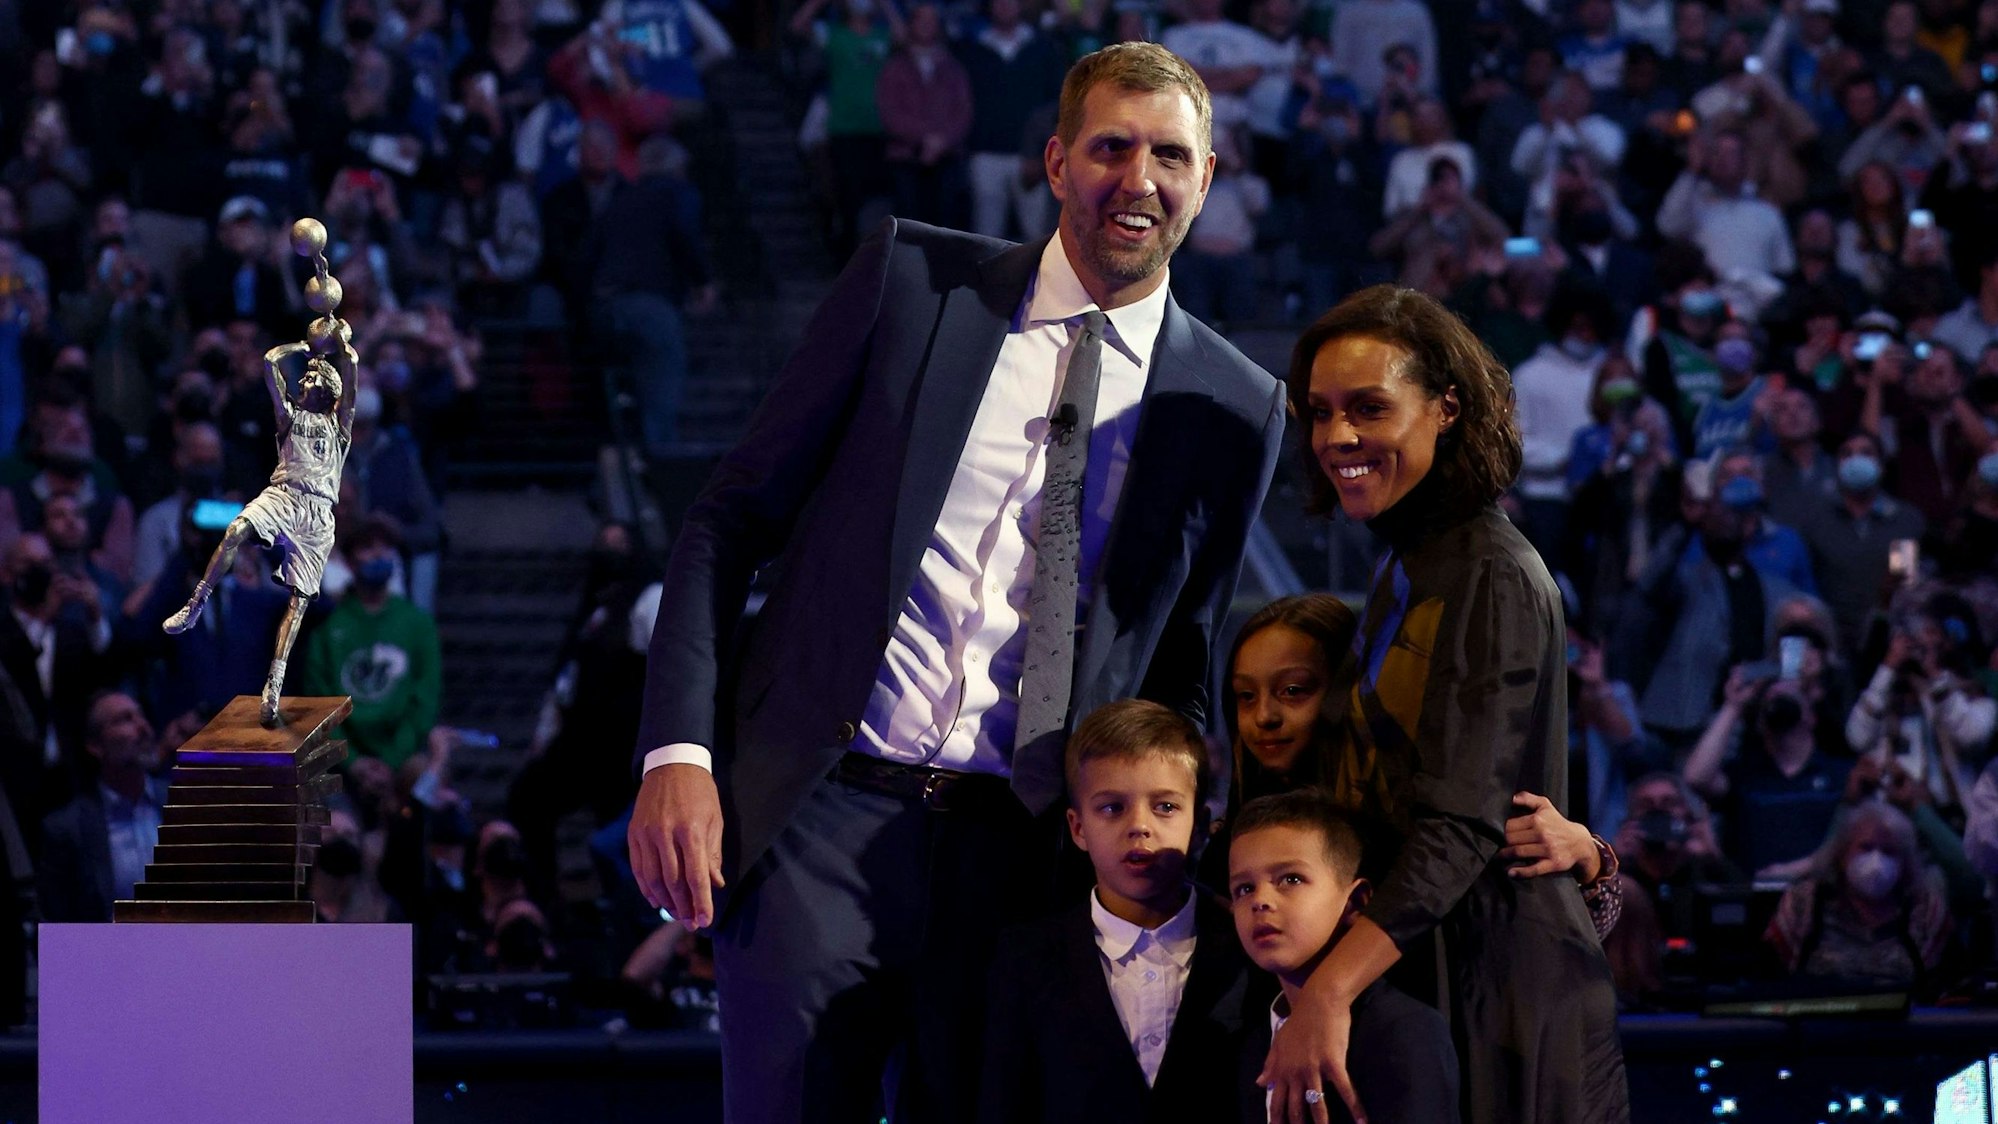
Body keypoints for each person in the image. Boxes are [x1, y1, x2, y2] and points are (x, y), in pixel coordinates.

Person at [627, 43, 1286, 1124]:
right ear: (1057, 159)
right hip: (819, 822)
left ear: (1207, 178)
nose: (1140, 179)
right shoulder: (912, 281)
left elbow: (1177, 668)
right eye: (1112, 147)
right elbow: (728, 516)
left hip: (1023, 864)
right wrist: (678, 753)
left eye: (1171, 155)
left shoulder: (1237, 403)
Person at [1260, 286, 1627, 1123]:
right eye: (1320, 413)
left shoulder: (1488, 571)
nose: (1337, 438)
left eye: (1368, 408)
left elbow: (1459, 825)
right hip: (1437, 969)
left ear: (1447, 409)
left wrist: (1329, 994)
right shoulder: (1407, 559)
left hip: (1503, 997)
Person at [977, 700, 1248, 1123]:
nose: (1139, 825)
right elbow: (1006, 1102)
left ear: (1199, 827)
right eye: (1112, 807)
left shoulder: (1245, 946)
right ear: (1078, 828)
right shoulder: (1027, 957)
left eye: (1165, 807)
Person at [162, 330, 359, 726]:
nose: (302, 381)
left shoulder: (340, 428)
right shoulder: (289, 416)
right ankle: (195, 603)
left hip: (318, 513)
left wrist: (343, 346)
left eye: (309, 378)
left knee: (300, 600)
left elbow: (351, 374)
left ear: (325, 388)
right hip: (283, 494)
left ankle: (274, 682)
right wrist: (301, 346)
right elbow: (270, 363)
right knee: (235, 530)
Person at [1230, 789, 1458, 1124]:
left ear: (1357, 901)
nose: (1260, 900)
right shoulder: (1253, 1043)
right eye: (1244, 888)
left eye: (1290, 879)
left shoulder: (1402, 1030)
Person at [1764, 800, 1952, 990]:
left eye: (1889, 851)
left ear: (1905, 862)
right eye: (1866, 847)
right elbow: (1768, 976)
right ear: (1842, 854)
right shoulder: (1803, 903)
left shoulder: (1925, 908)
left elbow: (1951, 987)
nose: (1876, 862)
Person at [37, 691, 164, 922]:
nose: (143, 727)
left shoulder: (190, 801)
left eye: (140, 716)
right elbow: (57, 925)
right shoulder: (67, 830)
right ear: (95, 746)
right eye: (125, 720)